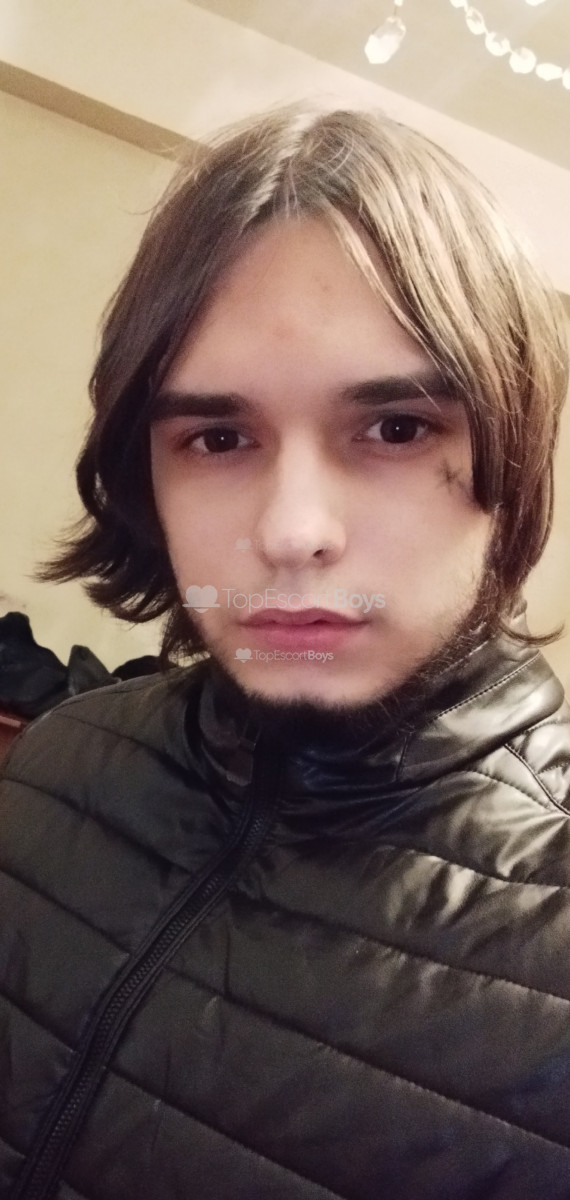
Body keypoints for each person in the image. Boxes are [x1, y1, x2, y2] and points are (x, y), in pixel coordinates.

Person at [1, 101, 569, 1200]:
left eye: (395, 428)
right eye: (218, 437)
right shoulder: (59, 762)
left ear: (509, 457)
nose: (293, 531)